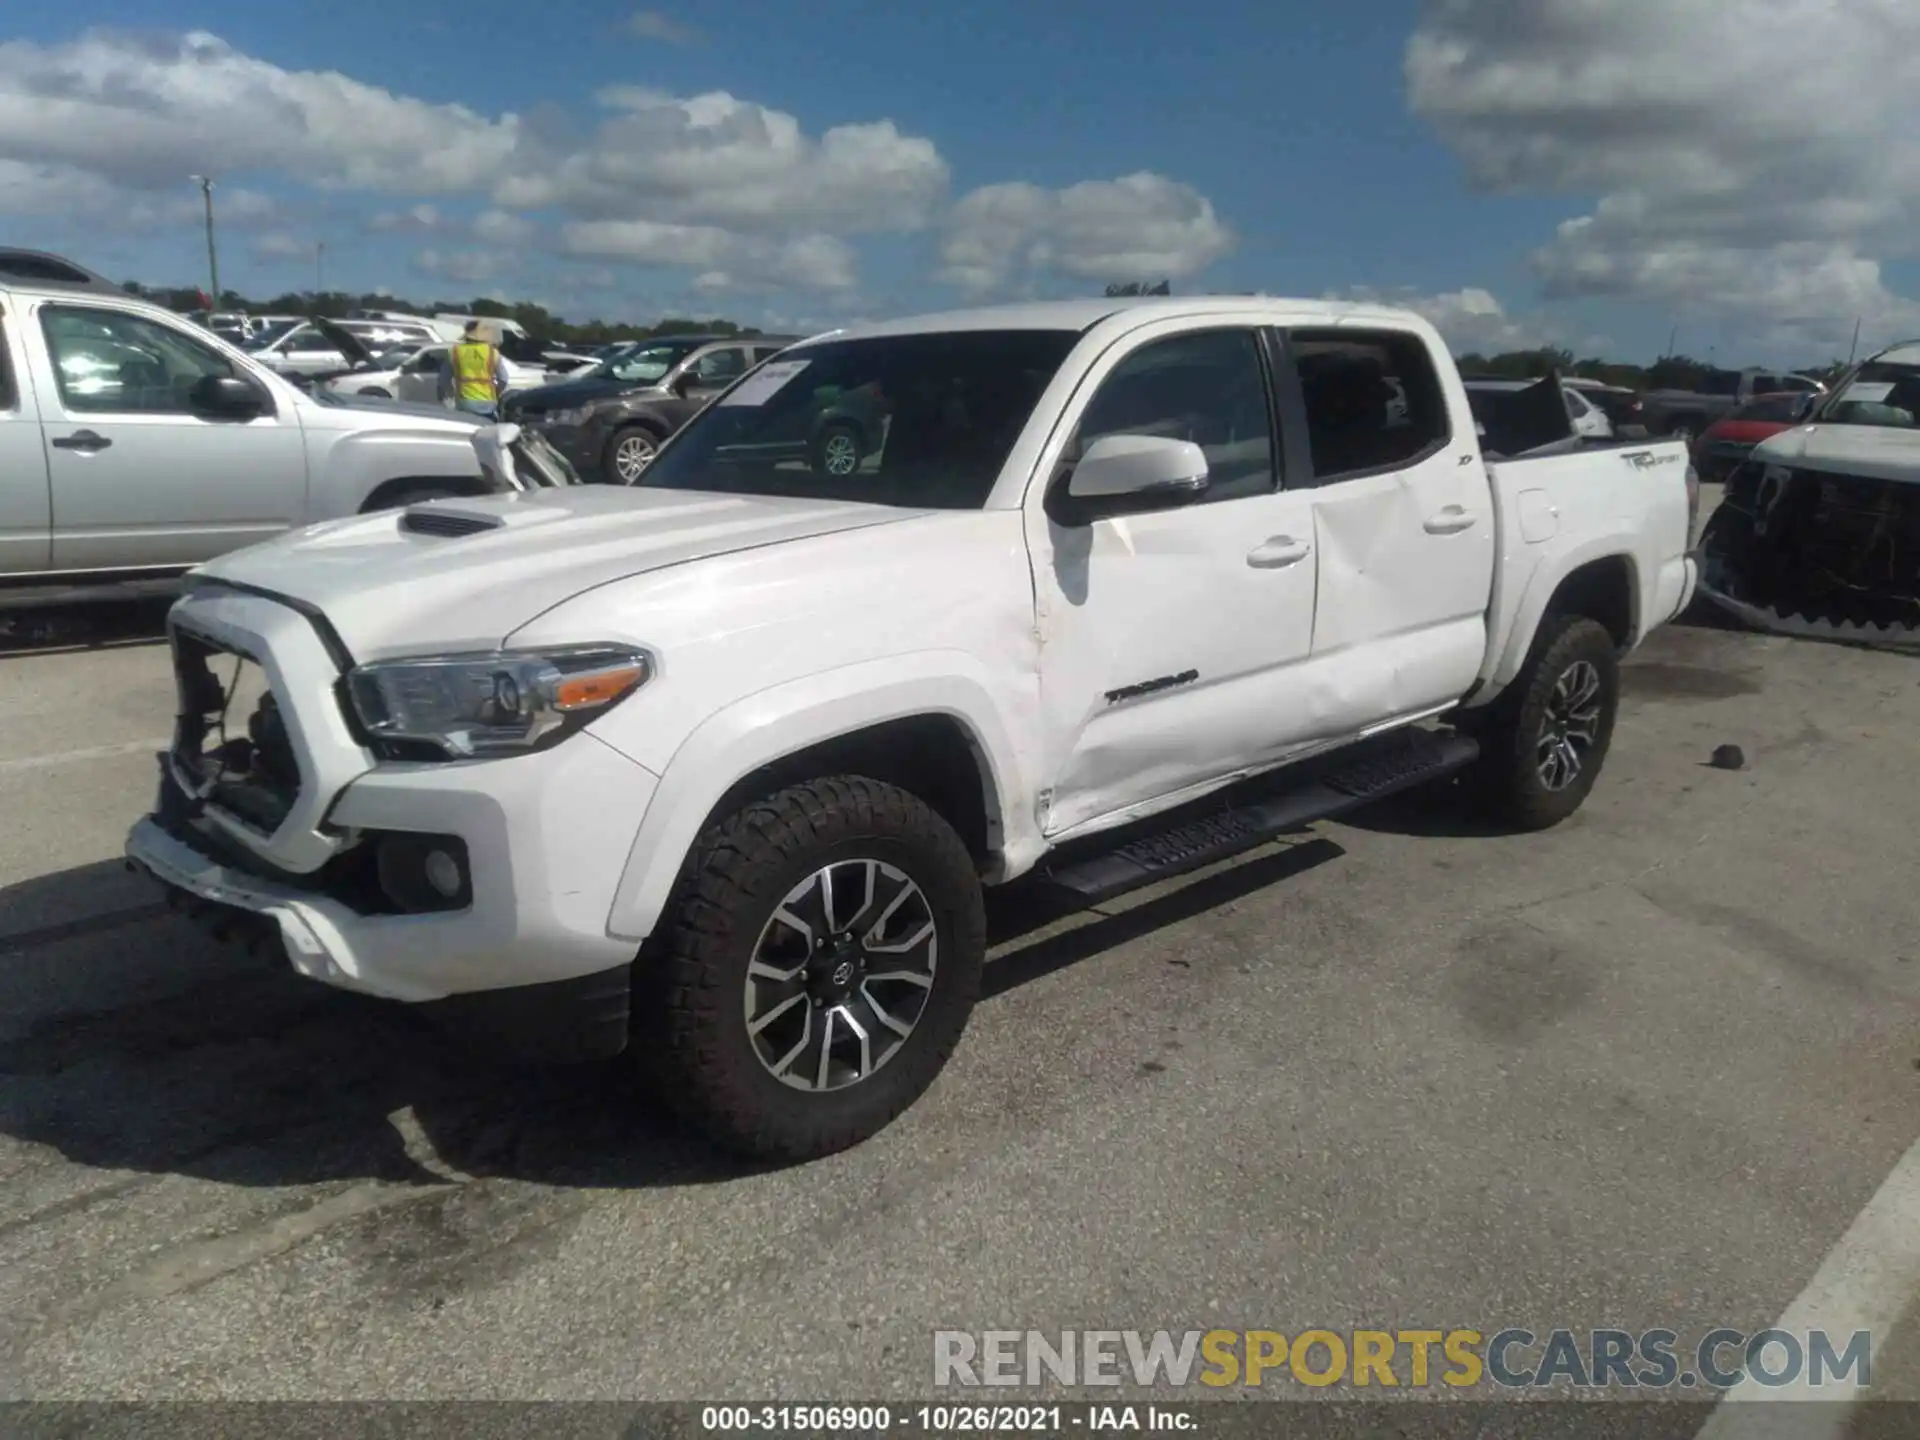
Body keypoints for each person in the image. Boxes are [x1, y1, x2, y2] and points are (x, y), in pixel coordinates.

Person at [443, 320, 511, 418]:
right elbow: (503, 379)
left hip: (465, 403)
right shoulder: (492, 352)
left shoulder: (455, 351)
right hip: (488, 403)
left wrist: (448, 397)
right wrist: (496, 394)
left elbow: (444, 379)